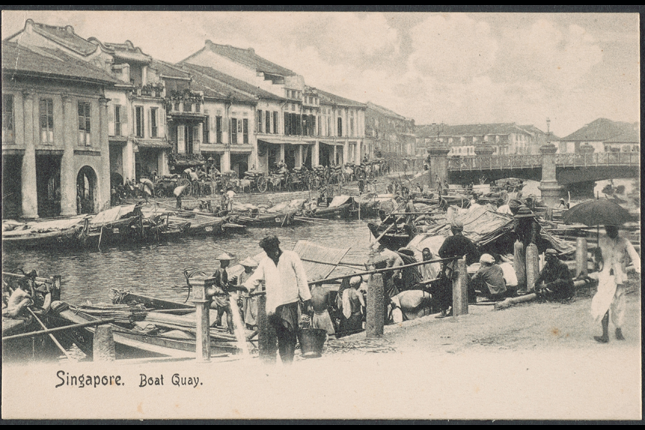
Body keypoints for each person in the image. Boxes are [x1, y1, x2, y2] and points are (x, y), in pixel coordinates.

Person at [243, 236, 312, 363]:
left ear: (276, 248)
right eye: (266, 251)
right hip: (273, 306)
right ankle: (284, 361)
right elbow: (255, 279)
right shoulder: (265, 261)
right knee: (280, 336)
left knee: (290, 336)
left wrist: (307, 300)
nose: (267, 254)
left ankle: (288, 363)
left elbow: (301, 279)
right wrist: (243, 287)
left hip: (289, 303)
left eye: (269, 250)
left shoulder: (292, 257)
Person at [591, 225, 641, 343]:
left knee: (618, 305)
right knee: (603, 303)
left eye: (614, 229)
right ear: (606, 230)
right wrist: (596, 256)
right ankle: (605, 334)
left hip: (620, 278)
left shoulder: (624, 242)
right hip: (606, 278)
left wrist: (639, 269)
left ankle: (618, 330)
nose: (612, 231)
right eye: (609, 229)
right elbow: (596, 262)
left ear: (617, 229)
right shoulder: (601, 242)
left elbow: (635, 256)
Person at [436, 220, 480, 317]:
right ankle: (455, 308)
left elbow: (441, 252)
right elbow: (476, 254)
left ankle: (443, 311)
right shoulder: (466, 240)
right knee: (462, 285)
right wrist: (465, 261)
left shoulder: (449, 240)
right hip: (461, 266)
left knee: (444, 286)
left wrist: (448, 259)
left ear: (452, 229)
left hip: (450, 267)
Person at [210, 253, 235, 334]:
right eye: (227, 261)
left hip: (218, 293)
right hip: (221, 293)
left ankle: (218, 324)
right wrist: (227, 290)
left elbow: (213, 279)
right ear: (222, 262)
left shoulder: (218, 270)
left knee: (220, 312)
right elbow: (221, 283)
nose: (228, 263)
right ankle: (231, 329)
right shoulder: (222, 271)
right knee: (229, 311)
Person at [238, 257, 259, 329]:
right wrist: (239, 296)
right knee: (245, 310)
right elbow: (239, 285)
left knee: (254, 310)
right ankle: (248, 324)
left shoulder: (254, 274)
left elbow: (257, 285)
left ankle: (254, 324)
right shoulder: (241, 275)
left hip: (253, 295)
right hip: (245, 295)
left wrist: (257, 293)